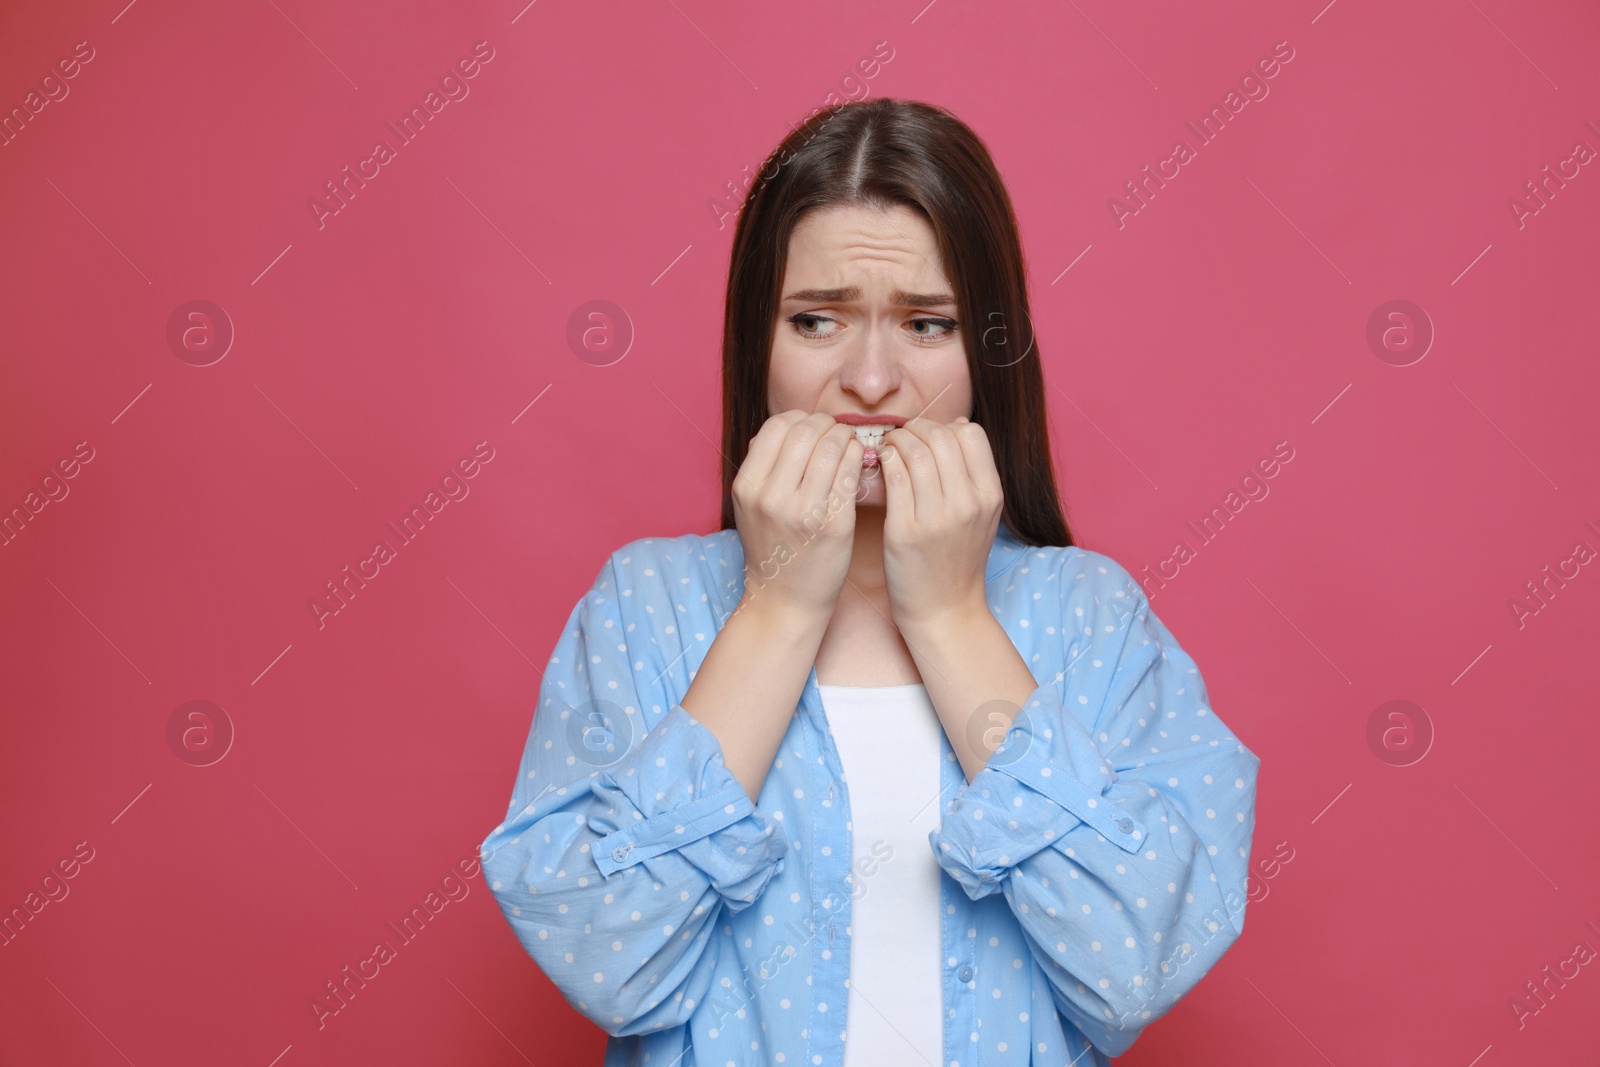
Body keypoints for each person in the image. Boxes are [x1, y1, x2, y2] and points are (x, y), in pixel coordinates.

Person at [480, 97, 1260, 1067]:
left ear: (985, 355)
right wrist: (775, 606)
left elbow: (1143, 955)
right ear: (755, 347)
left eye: (925, 324)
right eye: (817, 319)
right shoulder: (645, 606)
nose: (872, 378)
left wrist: (950, 613)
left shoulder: (1090, 618)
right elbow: (600, 950)